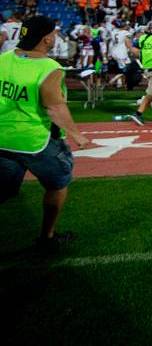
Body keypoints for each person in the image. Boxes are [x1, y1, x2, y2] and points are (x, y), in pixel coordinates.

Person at [0, 16, 93, 250]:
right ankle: (47, 237)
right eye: (54, 33)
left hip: (3, 137)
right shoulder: (48, 67)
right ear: (46, 39)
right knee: (58, 182)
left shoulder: (3, 59)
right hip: (35, 140)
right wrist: (77, 135)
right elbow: (54, 108)